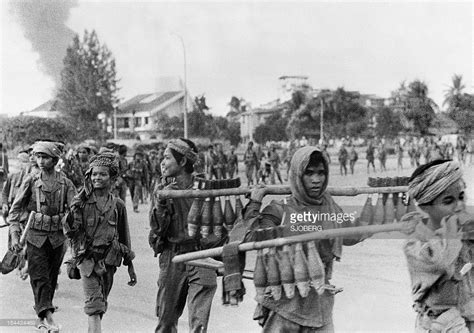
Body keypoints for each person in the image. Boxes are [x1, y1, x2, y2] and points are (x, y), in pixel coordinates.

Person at [235, 146, 365, 332]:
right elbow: (251, 238)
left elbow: (351, 235)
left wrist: (382, 214)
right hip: (285, 308)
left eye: (321, 173)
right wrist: (255, 203)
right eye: (309, 173)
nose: (316, 180)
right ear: (297, 175)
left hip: (320, 305)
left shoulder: (330, 208)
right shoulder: (280, 209)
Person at [149, 138, 219, 333]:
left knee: (199, 325)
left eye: (167, 158)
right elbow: (157, 229)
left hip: (202, 256)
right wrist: (161, 203)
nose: (162, 162)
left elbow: (219, 226)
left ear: (182, 162)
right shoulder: (163, 191)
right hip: (173, 257)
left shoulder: (206, 188)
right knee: (166, 323)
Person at [8, 141, 77, 332]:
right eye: (37, 157)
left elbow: (74, 212)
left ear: (55, 160)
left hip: (57, 238)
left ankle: (42, 314)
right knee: (39, 276)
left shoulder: (66, 183)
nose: (40, 161)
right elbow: (14, 212)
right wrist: (15, 236)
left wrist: (76, 237)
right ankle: (47, 316)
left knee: (52, 277)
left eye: (45, 157)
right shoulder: (31, 181)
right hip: (35, 237)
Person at [64, 152, 136, 333]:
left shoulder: (118, 205)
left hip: (109, 261)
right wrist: (73, 211)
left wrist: (130, 265)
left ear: (112, 178)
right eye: (94, 174)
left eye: (102, 174)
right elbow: (70, 232)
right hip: (87, 260)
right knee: (94, 305)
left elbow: (124, 236)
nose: (97, 177)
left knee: (100, 303)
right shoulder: (81, 203)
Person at [401, 159, 474, 332]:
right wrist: (453, 231)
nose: (459, 206)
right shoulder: (415, 244)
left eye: (461, 197)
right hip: (437, 325)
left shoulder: (462, 232)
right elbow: (441, 262)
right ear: (426, 208)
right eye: (448, 201)